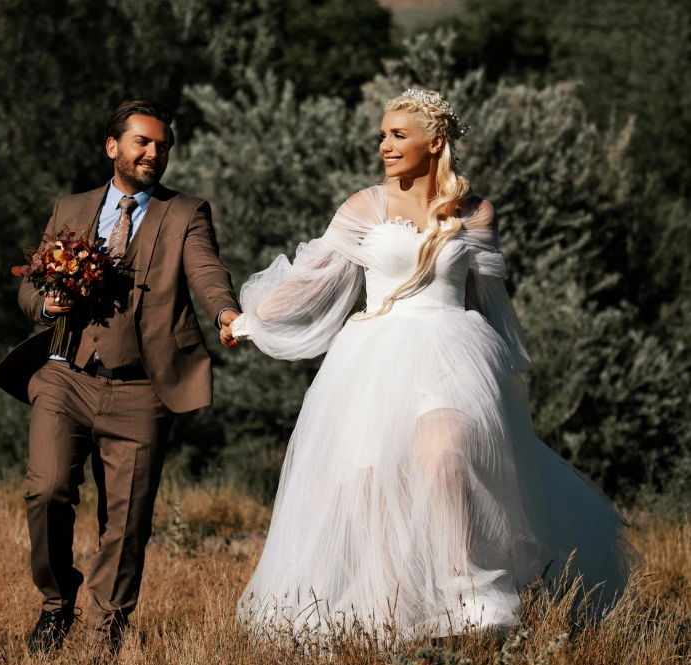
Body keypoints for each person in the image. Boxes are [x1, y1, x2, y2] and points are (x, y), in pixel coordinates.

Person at [227, 89, 642, 637]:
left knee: (446, 457)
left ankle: (467, 592)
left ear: (435, 141)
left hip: (452, 352)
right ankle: (388, 610)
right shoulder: (365, 206)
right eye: (382, 135)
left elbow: (489, 300)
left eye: (398, 134)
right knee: (373, 483)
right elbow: (316, 279)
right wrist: (250, 320)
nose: (385, 145)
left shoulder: (475, 213)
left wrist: (500, 376)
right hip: (374, 357)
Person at [0, 99, 240, 656]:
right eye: (143, 143)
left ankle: (104, 634)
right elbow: (29, 285)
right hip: (66, 376)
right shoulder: (71, 207)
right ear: (114, 147)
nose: (155, 154)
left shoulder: (186, 213)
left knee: (125, 524)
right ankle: (57, 601)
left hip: (142, 389)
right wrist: (43, 304)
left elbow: (207, 274)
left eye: (163, 146)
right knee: (46, 489)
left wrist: (226, 313)